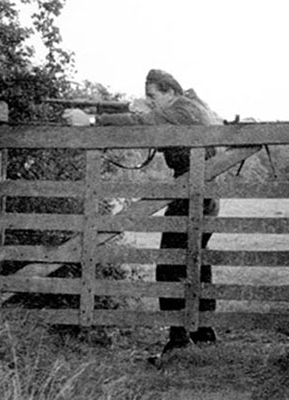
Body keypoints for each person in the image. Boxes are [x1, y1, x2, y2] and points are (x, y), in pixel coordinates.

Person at [64, 69, 222, 354]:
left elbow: (139, 122)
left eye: (153, 96)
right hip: (199, 189)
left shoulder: (181, 108)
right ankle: (202, 333)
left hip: (192, 189)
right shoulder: (190, 107)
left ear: (170, 92)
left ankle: (179, 339)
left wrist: (88, 120)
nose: (150, 102)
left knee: (169, 264)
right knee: (195, 260)